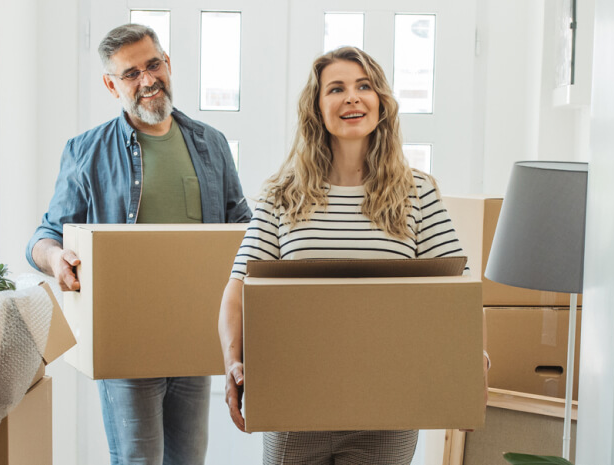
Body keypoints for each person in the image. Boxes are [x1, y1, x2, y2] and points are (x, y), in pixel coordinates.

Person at [217, 46, 471, 464]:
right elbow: (238, 288)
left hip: (389, 410)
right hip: (294, 405)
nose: (352, 97)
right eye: (336, 89)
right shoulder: (282, 194)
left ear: (381, 103)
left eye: (364, 86)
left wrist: (468, 361)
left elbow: (457, 294)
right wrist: (232, 361)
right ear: (317, 109)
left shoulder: (418, 193)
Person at [28, 24, 251, 465]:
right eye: (131, 74)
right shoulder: (86, 151)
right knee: (138, 461)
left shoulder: (211, 144)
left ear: (168, 64)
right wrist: (56, 259)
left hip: (194, 337)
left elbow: (242, 229)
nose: (148, 80)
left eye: (153, 65)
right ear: (111, 85)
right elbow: (44, 236)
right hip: (126, 344)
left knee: (189, 460)